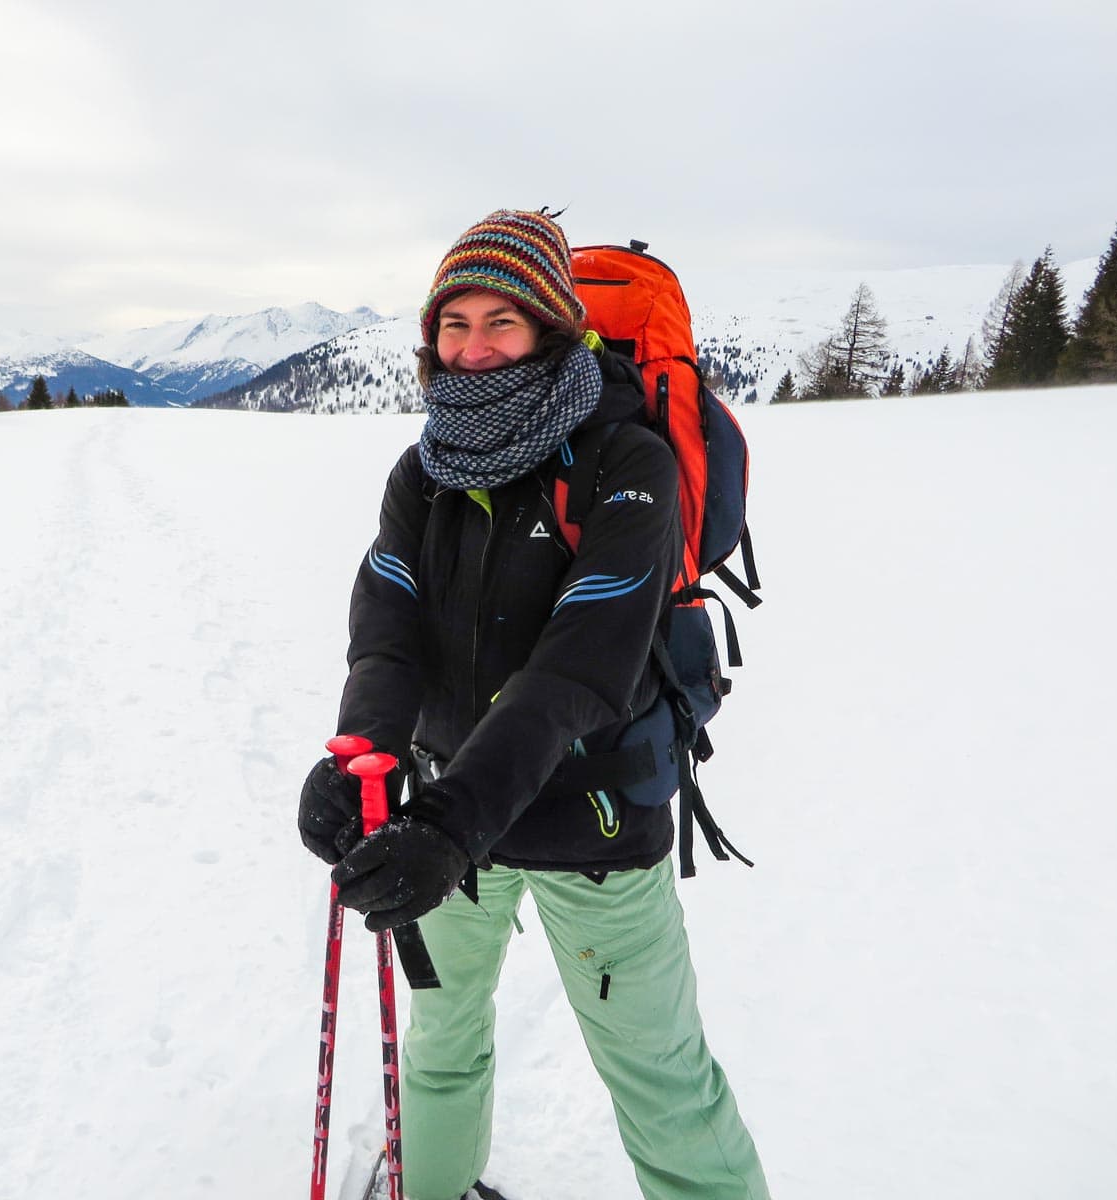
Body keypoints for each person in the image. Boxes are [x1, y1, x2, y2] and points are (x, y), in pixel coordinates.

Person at [298, 210, 770, 1200]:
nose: (471, 348)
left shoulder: (625, 462)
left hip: (590, 823)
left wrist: (452, 820)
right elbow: (389, 629)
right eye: (453, 323)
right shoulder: (423, 471)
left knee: (660, 1080)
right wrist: (360, 757)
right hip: (443, 815)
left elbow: (578, 669)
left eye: (500, 322)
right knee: (439, 1046)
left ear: (553, 326)